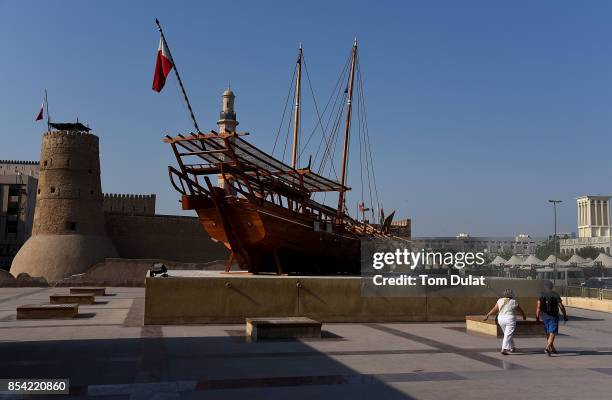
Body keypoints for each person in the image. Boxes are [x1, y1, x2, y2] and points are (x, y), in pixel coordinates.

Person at [483, 289, 527, 355]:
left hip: (500, 319)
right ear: (511, 294)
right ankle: (504, 349)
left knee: (507, 334)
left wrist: (487, 315)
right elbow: (520, 310)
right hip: (510, 319)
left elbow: (494, 309)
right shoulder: (513, 301)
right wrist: (524, 315)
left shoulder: (499, 300)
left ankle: (512, 347)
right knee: (507, 334)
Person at [536, 280, 568, 356]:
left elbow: (538, 307)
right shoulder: (555, 294)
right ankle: (548, 347)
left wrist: (537, 317)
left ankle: (551, 347)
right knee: (552, 332)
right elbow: (561, 306)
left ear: (545, 287)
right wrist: (565, 315)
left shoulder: (541, 295)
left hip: (544, 316)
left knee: (548, 332)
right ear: (552, 286)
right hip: (554, 316)